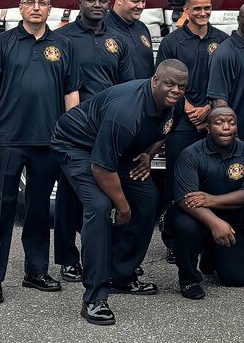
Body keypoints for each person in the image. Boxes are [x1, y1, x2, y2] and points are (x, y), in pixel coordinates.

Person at [52, 62, 189, 325]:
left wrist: (148, 155)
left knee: (149, 200)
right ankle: (94, 297)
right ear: (154, 80)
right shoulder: (126, 112)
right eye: (169, 84)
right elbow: (102, 168)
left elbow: (166, 131)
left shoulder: (175, 103)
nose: (175, 90)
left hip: (117, 150)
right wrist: (123, 207)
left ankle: (121, 275)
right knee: (101, 208)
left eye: (181, 86)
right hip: (78, 146)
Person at [0, 0, 76, 305]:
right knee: (1, 211)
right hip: (7, 142)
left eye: (42, 3)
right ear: (20, 9)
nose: (36, 7)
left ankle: (36, 272)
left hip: (48, 143)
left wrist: (71, 138)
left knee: (37, 212)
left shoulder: (63, 46)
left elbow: (71, 96)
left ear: (51, 10)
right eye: (30, 2)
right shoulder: (2, 44)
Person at [53, 0, 126, 283]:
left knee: (102, 195)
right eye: (91, 0)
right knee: (69, 196)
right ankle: (68, 259)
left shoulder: (117, 38)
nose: (97, 5)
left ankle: (97, 257)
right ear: (79, 2)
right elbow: (56, 82)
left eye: (103, 1)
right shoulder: (62, 38)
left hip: (108, 128)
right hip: (76, 128)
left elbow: (124, 83)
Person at [156, 0, 229, 256]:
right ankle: (174, 239)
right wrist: (189, 109)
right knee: (179, 180)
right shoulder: (172, 42)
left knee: (211, 179)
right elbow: (164, 82)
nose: (202, 13)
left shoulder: (222, 40)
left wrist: (208, 109)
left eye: (207, 8)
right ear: (186, 9)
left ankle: (208, 237)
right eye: (196, 8)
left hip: (212, 121)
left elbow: (226, 81)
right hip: (181, 122)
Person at [166, 106, 244, 299]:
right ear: (208, 127)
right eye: (219, 123)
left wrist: (211, 200)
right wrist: (215, 223)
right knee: (185, 226)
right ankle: (188, 279)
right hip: (195, 217)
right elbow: (186, 200)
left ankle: (211, 254)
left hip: (230, 221)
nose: (226, 127)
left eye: (231, 123)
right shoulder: (190, 154)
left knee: (239, 278)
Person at [208, 1, 244, 144]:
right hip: (239, 138)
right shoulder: (225, 53)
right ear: (238, 19)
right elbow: (218, 101)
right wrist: (233, 136)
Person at [104, 0, 154, 82]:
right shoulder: (103, 28)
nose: (140, 6)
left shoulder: (142, 28)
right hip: (118, 96)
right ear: (119, 0)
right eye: (135, 1)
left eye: (143, 1)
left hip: (145, 95)